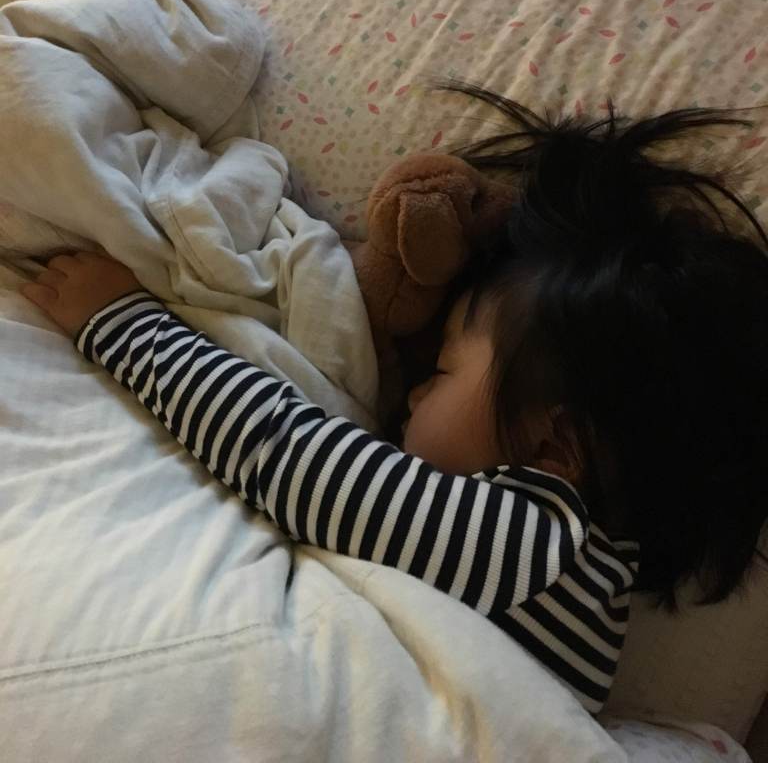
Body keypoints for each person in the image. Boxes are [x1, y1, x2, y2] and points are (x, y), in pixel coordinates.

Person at [21, 91, 768, 718]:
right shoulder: (577, 607)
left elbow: (286, 454)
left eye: (441, 369)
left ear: (553, 449)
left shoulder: (542, 552)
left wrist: (124, 324)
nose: (410, 390)